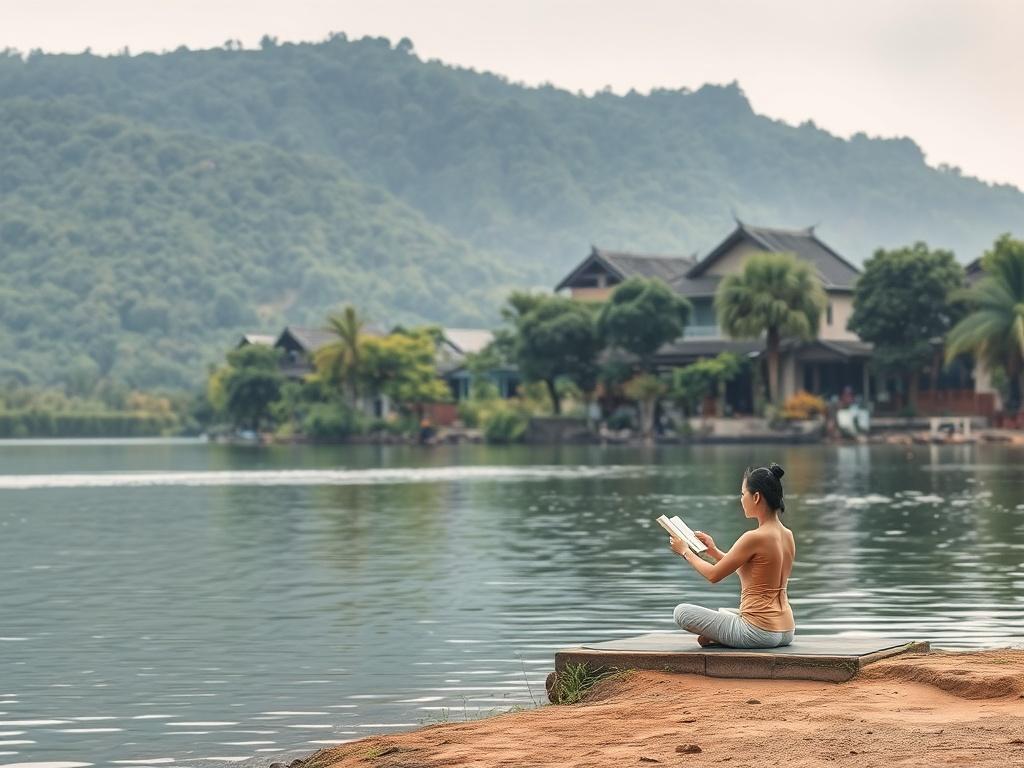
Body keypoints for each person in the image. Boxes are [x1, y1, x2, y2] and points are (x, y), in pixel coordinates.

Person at [669, 463, 796, 648]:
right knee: (725, 612)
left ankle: (720, 636)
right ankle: (720, 636)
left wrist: (685, 551)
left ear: (757, 497)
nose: (741, 499)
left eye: (743, 494)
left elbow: (713, 575)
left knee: (681, 612)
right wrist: (712, 550)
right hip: (786, 630)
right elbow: (751, 573)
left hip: (758, 632)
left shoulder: (753, 537)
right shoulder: (787, 535)